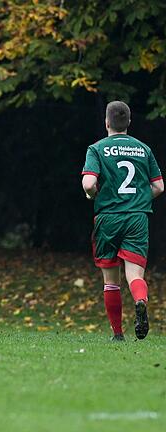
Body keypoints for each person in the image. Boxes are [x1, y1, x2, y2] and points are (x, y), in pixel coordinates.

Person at [81, 101, 162, 341]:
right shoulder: (143, 149)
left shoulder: (96, 149)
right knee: (135, 275)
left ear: (107, 122)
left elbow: (88, 183)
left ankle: (117, 334)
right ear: (128, 122)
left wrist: (91, 193)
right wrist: (138, 199)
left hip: (108, 218)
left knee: (111, 280)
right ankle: (140, 300)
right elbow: (158, 186)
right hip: (137, 217)